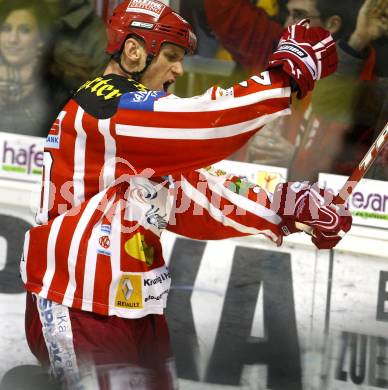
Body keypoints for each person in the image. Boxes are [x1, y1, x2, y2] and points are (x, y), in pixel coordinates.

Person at [20, 1, 351, 389]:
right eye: (171, 56)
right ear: (133, 50)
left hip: (132, 307)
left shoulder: (136, 134)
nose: (179, 69)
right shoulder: (105, 101)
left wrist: (286, 206)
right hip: (80, 306)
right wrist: (283, 79)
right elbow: (205, 125)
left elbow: (196, 196)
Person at [204, 0, 384, 181]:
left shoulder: (360, 83)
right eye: (287, 14)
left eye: (298, 16)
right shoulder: (273, 49)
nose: (286, 26)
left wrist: (297, 160)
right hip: (246, 194)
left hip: (309, 202)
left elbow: (356, 169)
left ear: (332, 24)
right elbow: (224, 10)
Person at [0, 0, 56, 137]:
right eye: (6, 28)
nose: (13, 39)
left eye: (24, 30)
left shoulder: (58, 92)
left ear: (42, 39)